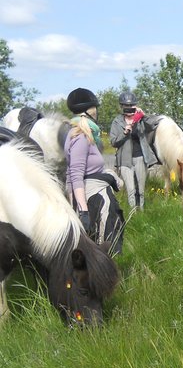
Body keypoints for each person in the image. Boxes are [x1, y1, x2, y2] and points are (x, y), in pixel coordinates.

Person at [64, 87, 124, 254]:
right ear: (89, 111)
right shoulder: (81, 136)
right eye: (95, 108)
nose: (97, 111)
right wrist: (82, 210)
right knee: (102, 245)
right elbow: (74, 175)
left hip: (91, 194)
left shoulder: (81, 134)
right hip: (94, 199)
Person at [109, 91, 158, 210]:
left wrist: (143, 115)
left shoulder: (140, 119)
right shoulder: (117, 121)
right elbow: (113, 142)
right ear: (122, 106)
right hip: (124, 160)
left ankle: (141, 211)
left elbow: (153, 125)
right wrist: (125, 133)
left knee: (140, 190)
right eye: (127, 106)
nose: (129, 109)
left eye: (132, 106)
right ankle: (132, 214)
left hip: (140, 157)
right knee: (131, 190)